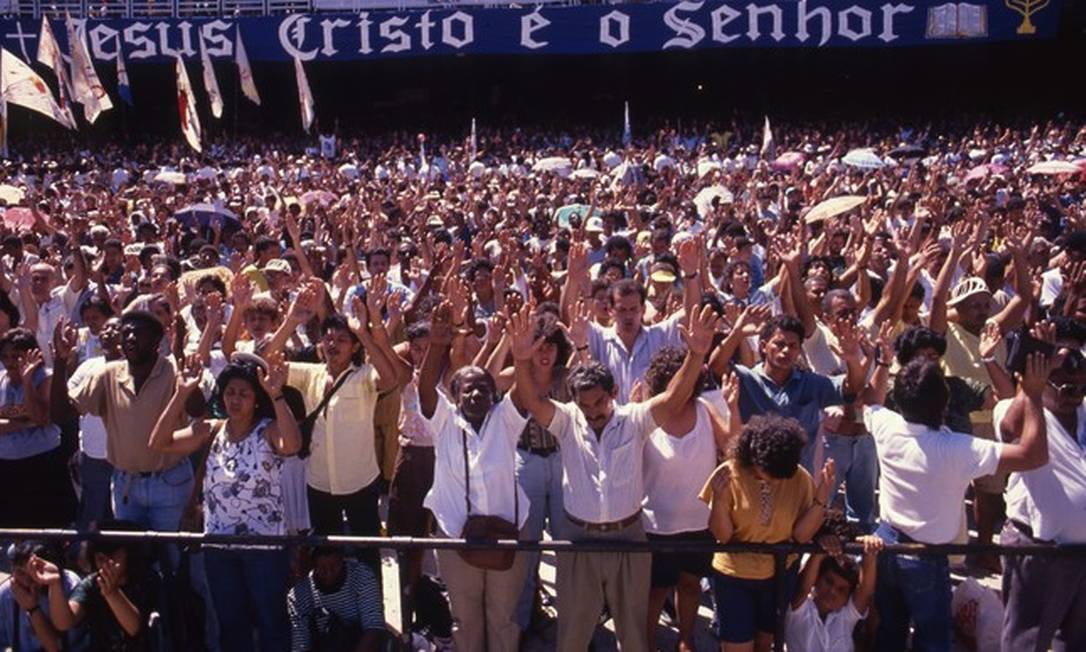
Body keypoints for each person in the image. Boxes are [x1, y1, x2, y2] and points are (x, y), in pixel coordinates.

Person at [513, 304, 720, 652]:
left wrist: (696, 355)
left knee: (634, 635)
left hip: (629, 538)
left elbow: (673, 398)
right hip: (579, 540)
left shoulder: (635, 420)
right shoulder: (566, 422)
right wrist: (521, 360)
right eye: (585, 405)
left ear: (614, 394)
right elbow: (533, 402)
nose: (593, 412)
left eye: (599, 403)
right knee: (573, 635)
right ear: (574, 401)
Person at [863, 349, 1052, 652]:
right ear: (945, 401)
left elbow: (870, 400)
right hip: (927, 556)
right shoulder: (958, 449)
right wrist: (1033, 396)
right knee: (934, 640)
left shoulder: (888, 427)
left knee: (890, 631)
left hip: (887, 544)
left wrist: (883, 363)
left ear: (898, 400)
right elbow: (1034, 455)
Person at [147, 354, 301, 652]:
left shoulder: (269, 430)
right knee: (231, 624)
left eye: (244, 394)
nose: (235, 399)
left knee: (272, 622)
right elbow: (158, 442)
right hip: (219, 548)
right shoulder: (210, 430)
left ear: (256, 400)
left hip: (265, 549)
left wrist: (277, 395)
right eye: (230, 392)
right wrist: (181, 393)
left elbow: (292, 444)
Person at [269, 275, 410, 567]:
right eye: (328, 338)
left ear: (354, 347)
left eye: (342, 340)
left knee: (367, 555)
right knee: (325, 558)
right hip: (319, 483)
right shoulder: (310, 374)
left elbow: (391, 378)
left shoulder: (364, 377)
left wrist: (363, 331)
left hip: (361, 484)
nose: (333, 344)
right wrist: (291, 320)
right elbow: (268, 359)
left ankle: (368, 599)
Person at [416, 297, 531, 652]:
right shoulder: (444, 422)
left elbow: (526, 391)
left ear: (495, 395)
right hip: (455, 535)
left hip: (506, 533)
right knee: (465, 619)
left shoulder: (506, 419)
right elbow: (424, 391)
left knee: (503, 617)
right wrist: (437, 344)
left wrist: (521, 353)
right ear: (455, 396)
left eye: (484, 387)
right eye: (468, 388)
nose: (477, 393)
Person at [700, 415, 835, 652]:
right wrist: (719, 501)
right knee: (737, 646)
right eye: (766, 473)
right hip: (734, 576)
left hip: (779, 575)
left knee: (765, 642)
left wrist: (821, 499)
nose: (772, 481)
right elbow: (722, 536)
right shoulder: (729, 473)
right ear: (752, 456)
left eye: (778, 477)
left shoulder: (800, 478)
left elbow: (801, 536)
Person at [66, 310, 206, 532]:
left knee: (172, 551)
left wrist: (184, 376)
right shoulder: (107, 374)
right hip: (126, 485)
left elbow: (198, 411)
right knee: (131, 552)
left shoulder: (172, 371)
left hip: (170, 482)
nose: (131, 338)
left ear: (156, 341)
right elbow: (63, 414)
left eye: (139, 333)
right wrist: (60, 361)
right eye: (126, 333)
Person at [639, 348, 739, 651]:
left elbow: (733, 449)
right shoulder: (647, 412)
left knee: (691, 583)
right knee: (655, 590)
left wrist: (733, 408)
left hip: (699, 521)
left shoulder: (705, 409)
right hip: (656, 524)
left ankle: (686, 639)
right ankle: (647, 642)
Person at [995, 344, 1086, 651]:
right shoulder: (1019, 410)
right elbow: (1009, 432)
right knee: (1026, 641)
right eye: (1066, 385)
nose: (1074, 392)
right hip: (1039, 551)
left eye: (1081, 385)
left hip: (1082, 555)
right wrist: (1030, 390)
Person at [33, 520, 160, 652]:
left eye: (114, 557)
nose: (106, 563)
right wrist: (54, 583)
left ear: (129, 554)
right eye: (100, 558)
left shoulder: (146, 580)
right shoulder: (92, 583)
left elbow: (135, 628)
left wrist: (112, 593)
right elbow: (65, 622)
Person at [51, 317, 123, 531]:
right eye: (106, 328)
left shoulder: (138, 368)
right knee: (92, 524)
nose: (108, 332)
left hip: (127, 463)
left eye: (116, 328)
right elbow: (62, 411)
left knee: (123, 526)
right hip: (94, 459)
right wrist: (60, 362)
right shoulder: (89, 366)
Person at [0, 327, 73, 528]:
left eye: (16, 356)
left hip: (42, 462)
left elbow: (40, 418)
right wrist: (23, 423)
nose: (9, 362)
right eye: (5, 356)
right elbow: (32, 420)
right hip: (6, 465)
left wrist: (27, 381)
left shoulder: (46, 377)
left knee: (46, 524)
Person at [784, 535, 883, 652]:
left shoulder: (846, 616)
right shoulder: (799, 610)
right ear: (817, 579)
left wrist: (870, 550)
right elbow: (802, 589)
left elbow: (865, 591)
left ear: (847, 597)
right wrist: (820, 550)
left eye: (841, 589)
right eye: (828, 582)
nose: (832, 591)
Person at [287, 546, 387, 652]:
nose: (328, 573)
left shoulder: (362, 576)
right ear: (314, 566)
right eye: (322, 568)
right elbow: (300, 644)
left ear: (342, 560)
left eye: (334, 567)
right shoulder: (300, 594)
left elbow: (374, 627)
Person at [0, 541, 82, 652]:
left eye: (34, 573)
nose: (27, 581)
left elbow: (57, 647)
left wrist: (33, 609)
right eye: (21, 573)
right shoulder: (6, 593)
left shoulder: (68, 584)